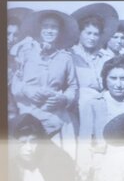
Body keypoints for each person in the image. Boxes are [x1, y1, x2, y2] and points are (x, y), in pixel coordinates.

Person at [11, 9, 80, 157]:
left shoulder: (65, 58)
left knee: (62, 155)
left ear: (60, 32)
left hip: (56, 114)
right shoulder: (25, 52)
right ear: (39, 29)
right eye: (46, 26)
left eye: (54, 27)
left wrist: (64, 99)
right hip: (28, 113)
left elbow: (73, 86)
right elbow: (15, 84)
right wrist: (27, 90)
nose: (49, 31)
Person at [77, 55, 124, 179]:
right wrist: (85, 171)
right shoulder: (93, 104)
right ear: (105, 79)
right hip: (102, 163)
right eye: (113, 78)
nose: (118, 84)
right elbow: (84, 143)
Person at [70, 4, 118, 94]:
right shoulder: (70, 55)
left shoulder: (105, 58)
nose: (92, 38)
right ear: (79, 33)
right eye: (88, 33)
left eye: (96, 34)